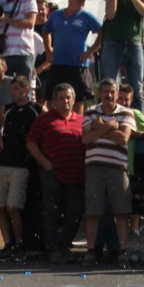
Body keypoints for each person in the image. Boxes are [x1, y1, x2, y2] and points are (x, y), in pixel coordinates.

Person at [27, 84, 86, 263]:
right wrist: (44, 162)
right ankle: (52, 250)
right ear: (54, 101)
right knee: (51, 212)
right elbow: (30, 142)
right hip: (51, 173)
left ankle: (64, 245)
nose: (65, 101)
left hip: (76, 174)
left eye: (68, 98)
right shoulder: (44, 119)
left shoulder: (82, 120)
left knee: (75, 212)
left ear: (73, 100)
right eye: (61, 98)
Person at [80, 78, 135, 265]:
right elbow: (86, 139)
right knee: (92, 212)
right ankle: (91, 251)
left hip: (117, 168)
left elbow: (123, 139)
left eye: (112, 92)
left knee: (121, 212)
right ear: (100, 94)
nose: (109, 95)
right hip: (94, 168)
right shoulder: (90, 112)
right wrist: (109, 127)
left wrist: (101, 127)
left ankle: (123, 251)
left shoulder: (127, 113)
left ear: (117, 93)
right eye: (105, 91)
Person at [0, 74, 38, 260]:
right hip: (2, 162)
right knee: (1, 207)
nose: (13, 92)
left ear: (26, 90)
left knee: (13, 207)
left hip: (21, 165)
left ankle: (19, 243)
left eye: (16, 89)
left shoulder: (36, 110)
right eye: (11, 89)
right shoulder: (7, 109)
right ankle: (8, 244)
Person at [41, 0, 101, 110]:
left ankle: (77, 128)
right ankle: (54, 126)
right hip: (58, 63)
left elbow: (103, 33)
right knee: (53, 98)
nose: (82, 3)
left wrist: (90, 51)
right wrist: (48, 50)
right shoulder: (56, 15)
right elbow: (46, 31)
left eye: (84, 0)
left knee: (78, 99)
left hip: (78, 64)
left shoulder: (86, 16)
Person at [0, 0, 37, 80]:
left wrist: (5, 19)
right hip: (5, 53)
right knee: (7, 91)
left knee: (23, 89)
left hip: (24, 53)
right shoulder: (0, 3)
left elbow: (30, 23)